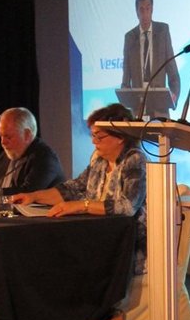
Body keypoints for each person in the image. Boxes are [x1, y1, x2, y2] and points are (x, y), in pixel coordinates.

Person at [12, 102, 146, 273]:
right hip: (100, 240)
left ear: (120, 137)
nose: (93, 141)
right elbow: (73, 189)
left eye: (99, 137)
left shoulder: (135, 159)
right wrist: (33, 197)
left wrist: (82, 206)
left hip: (128, 247)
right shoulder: (99, 160)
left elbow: (127, 206)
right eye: (92, 135)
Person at [0, 106, 64, 199]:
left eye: (8, 137)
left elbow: (28, 192)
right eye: (1, 136)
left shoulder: (45, 158)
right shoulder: (4, 157)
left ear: (27, 135)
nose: (3, 142)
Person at [121, 0, 180, 117]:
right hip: (138, 108)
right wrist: (125, 97)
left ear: (152, 8)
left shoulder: (163, 31)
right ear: (136, 11)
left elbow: (173, 71)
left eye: (148, 8)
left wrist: (174, 94)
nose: (145, 14)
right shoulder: (130, 37)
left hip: (160, 107)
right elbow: (126, 79)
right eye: (141, 9)